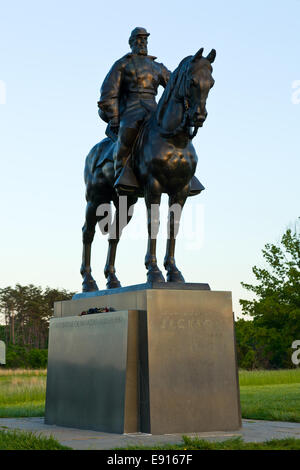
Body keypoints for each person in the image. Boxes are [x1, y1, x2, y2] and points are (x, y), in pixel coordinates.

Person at [98, 27, 171, 186]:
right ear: (131, 43)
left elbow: (173, 86)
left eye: (144, 39)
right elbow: (108, 92)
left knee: (174, 131)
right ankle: (121, 174)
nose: (142, 42)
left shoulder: (158, 67)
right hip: (131, 108)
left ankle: (184, 174)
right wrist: (115, 117)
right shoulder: (122, 64)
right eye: (138, 39)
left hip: (154, 109)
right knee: (128, 130)